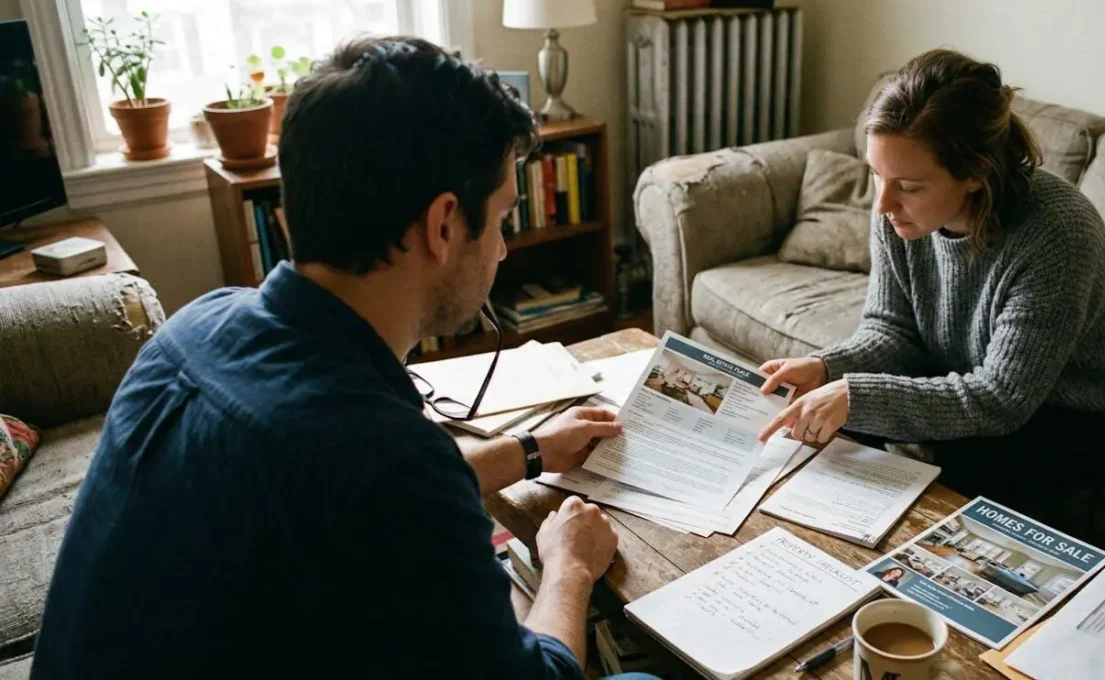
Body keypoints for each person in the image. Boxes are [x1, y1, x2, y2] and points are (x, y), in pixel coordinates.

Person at [32, 37, 654, 680]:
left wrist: (529, 450)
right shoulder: (384, 462)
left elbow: (360, 496)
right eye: (500, 218)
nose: (501, 250)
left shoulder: (192, 326)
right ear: (443, 226)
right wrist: (568, 567)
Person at [757, 49, 1105, 508]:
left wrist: (857, 394)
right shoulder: (896, 209)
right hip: (970, 374)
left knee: (945, 461)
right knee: (818, 419)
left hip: (1084, 409)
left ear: (975, 174)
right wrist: (829, 367)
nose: (883, 203)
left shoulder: (1058, 235)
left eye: (909, 186)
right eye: (876, 174)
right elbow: (892, 329)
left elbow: (1001, 398)